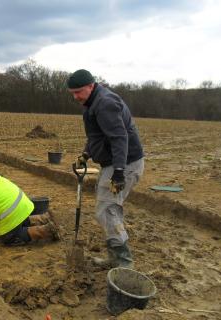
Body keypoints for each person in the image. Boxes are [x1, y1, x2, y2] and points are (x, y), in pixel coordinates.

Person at [67, 69, 144, 269]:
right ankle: (115, 258)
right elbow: (97, 136)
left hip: (125, 164)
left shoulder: (105, 103)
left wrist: (119, 173)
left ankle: (124, 264)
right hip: (114, 163)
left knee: (107, 209)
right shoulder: (92, 102)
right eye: (72, 93)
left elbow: (119, 138)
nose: (75, 97)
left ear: (91, 86)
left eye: (79, 92)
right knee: (107, 208)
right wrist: (86, 154)